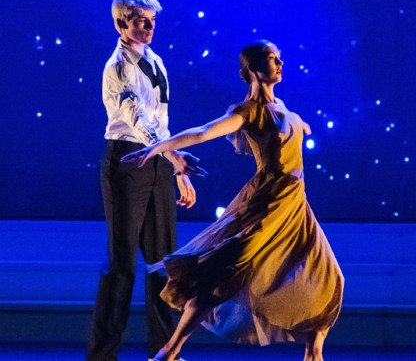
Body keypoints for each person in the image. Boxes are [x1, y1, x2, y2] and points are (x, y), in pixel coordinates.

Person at [121, 40, 344, 361]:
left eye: (280, 58)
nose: (280, 63)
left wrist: (301, 126)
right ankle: (169, 352)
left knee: (328, 276)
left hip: (295, 208)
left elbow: (290, 127)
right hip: (266, 207)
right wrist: (157, 148)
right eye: (272, 59)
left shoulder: (283, 107)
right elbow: (203, 132)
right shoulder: (248, 112)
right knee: (220, 277)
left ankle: (314, 353)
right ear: (253, 69)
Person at [88, 0, 206, 361]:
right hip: (127, 161)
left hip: (157, 163)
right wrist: (173, 159)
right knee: (122, 263)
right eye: (141, 22)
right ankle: (103, 354)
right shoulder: (118, 67)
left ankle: (166, 351)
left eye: (152, 21)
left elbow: (161, 123)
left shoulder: (155, 61)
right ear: (122, 24)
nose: (149, 27)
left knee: (165, 262)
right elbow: (137, 122)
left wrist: (177, 171)